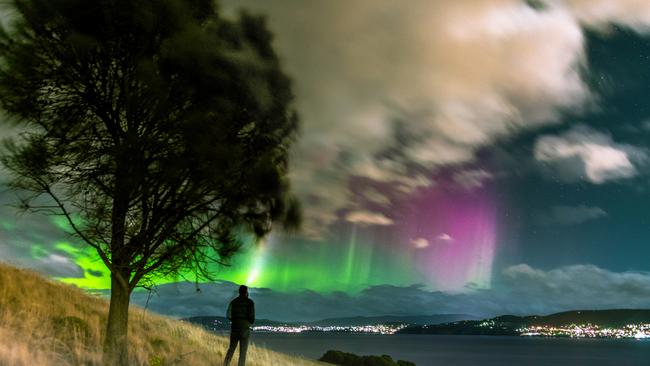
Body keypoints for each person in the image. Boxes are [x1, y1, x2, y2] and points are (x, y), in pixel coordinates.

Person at [223, 285, 255, 366]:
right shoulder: (250, 302)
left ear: (239, 292)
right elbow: (252, 318)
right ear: (246, 292)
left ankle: (226, 364)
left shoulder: (233, 302)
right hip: (245, 329)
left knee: (231, 348)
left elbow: (228, 315)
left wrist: (235, 321)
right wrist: (248, 322)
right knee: (243, 352)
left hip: (235, 328)